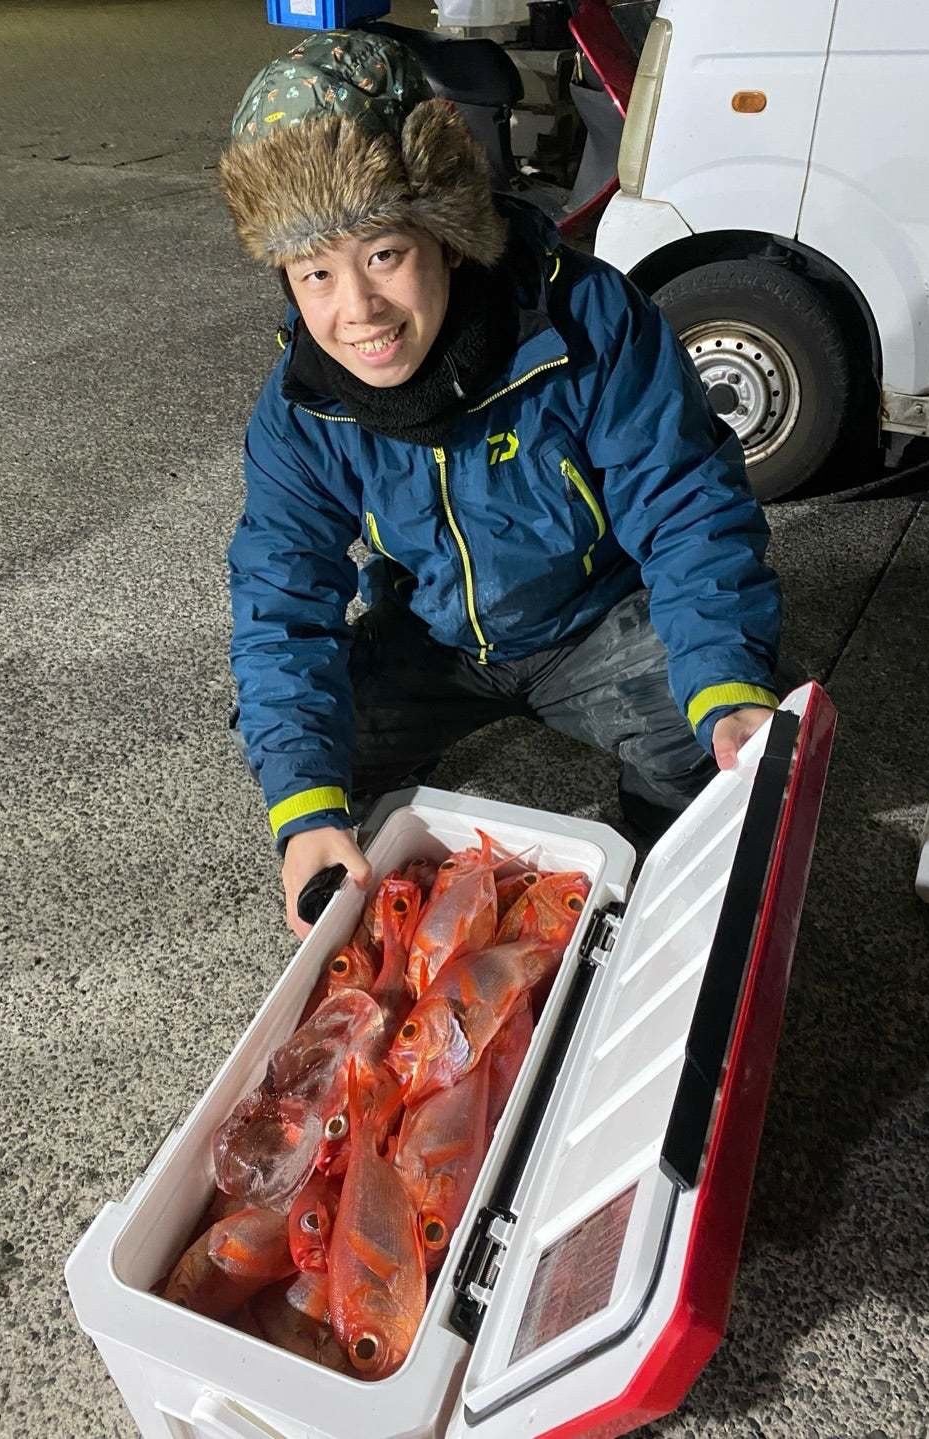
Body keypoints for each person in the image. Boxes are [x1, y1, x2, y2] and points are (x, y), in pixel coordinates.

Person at [219, 30, 782, 938]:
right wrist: (307, 809)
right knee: (304, 761)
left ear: (444, 234)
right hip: (434, 633)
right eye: (316, 272)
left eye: (384, 254)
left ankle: (653, 864)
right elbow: (279, 600)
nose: (357, 310)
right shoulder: (301, 404)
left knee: (723, 751)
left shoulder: (588, 315)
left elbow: (688, 504)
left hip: (594, 617)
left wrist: (724, 678)